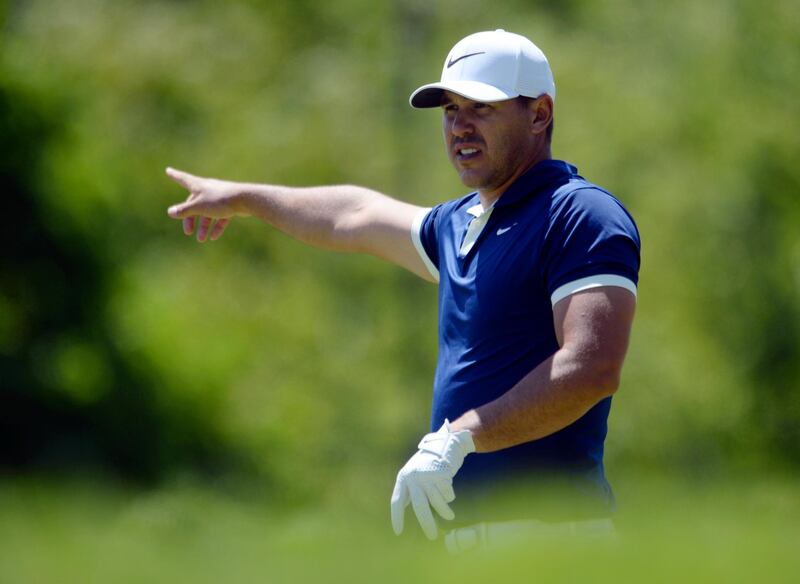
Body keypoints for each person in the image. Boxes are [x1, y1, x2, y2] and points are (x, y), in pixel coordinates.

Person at [166, 29, 640, 551]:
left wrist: (459, 437)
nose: (459, 126)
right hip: (468, 546)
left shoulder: (579, 214)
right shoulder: (461, 223)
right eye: (450, 110)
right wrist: (245, 198)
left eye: (481, 108)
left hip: (556, 538)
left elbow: (591, 367)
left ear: (539, 114)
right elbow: (356, 214)